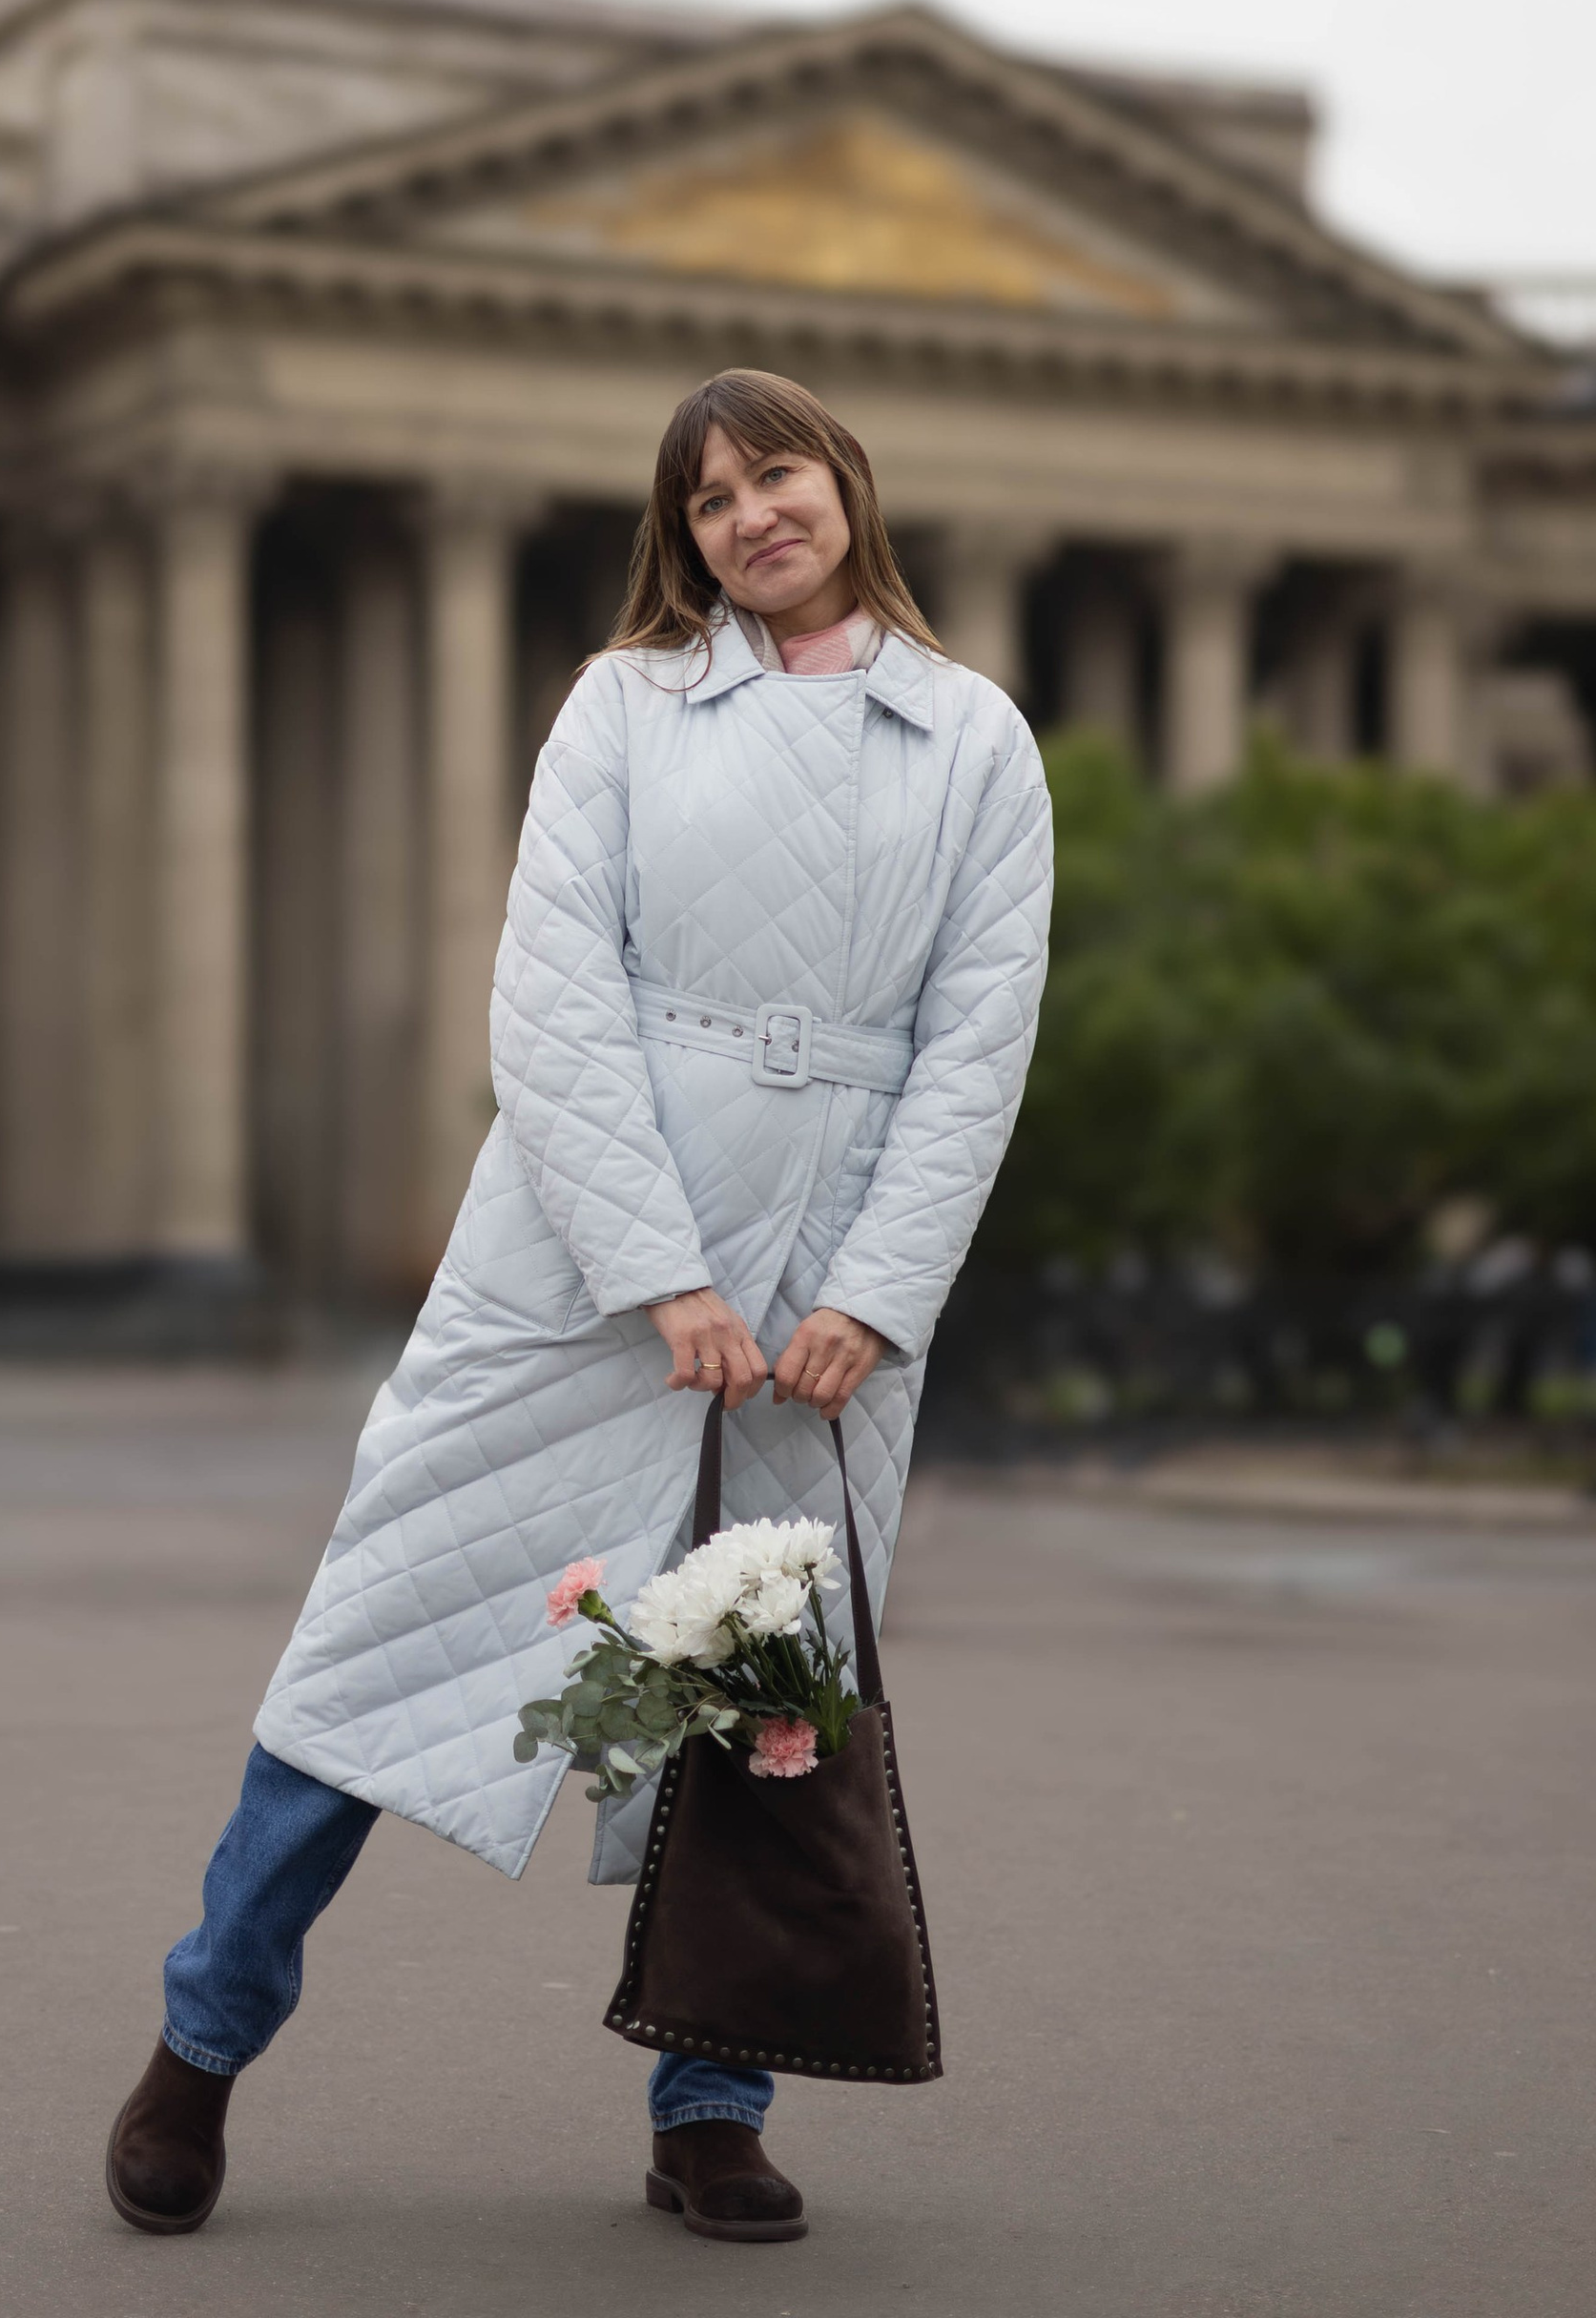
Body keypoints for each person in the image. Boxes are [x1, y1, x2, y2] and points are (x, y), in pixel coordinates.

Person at [104, 367, 1054, 2246]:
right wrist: (660, 1273)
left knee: (758, 1716)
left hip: (816, 1314)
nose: (746, 517)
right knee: (380, 1645)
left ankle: (710, 2114)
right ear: (676, 537)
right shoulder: (623, 707)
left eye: (772, 474)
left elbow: (978, 1041)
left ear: (843, 485)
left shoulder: (972, 743)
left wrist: (869, 1293)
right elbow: (549, 995)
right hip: (569, 1276)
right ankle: (196, 2048)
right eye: (705, 501)